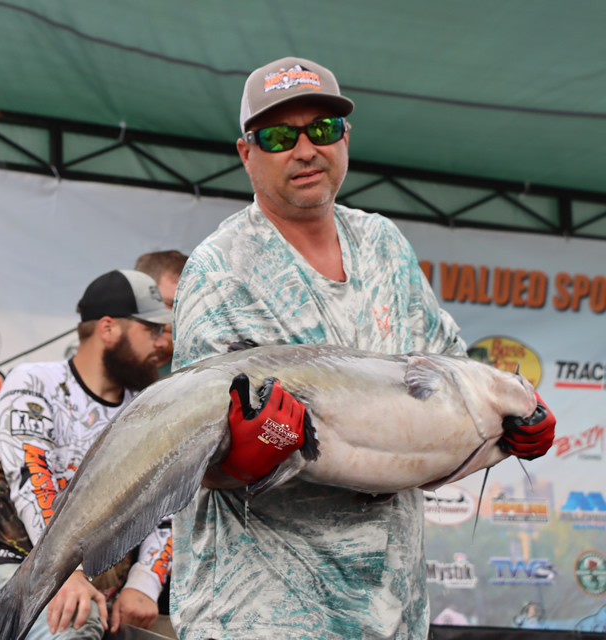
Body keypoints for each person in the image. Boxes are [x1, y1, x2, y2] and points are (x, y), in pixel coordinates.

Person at [169, 56, 557, 639]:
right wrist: (232, 461)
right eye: (278, 136)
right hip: (261, 614)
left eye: (322, 130)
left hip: (389, 609)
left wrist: (505, 425)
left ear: (346, 138)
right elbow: (183, 451)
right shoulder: (220, 269)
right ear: (247, 154)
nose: (304, 150)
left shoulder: (382, 244)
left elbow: (445, 392)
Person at [0, 269, 173, 639]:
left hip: (91, 594)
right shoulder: (36, 383)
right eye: (150, 328)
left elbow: (167, 507)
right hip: (6, 567)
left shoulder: (149, 410)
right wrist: (62, 574)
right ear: (108, 329)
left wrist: (143, 585)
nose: (161, 340)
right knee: (73, 626)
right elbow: (32, 482)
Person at [134, 250, 188, 377]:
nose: (178, 317)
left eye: (186, 308)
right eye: (170, 304)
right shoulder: (107, 369)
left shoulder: (196, 374)